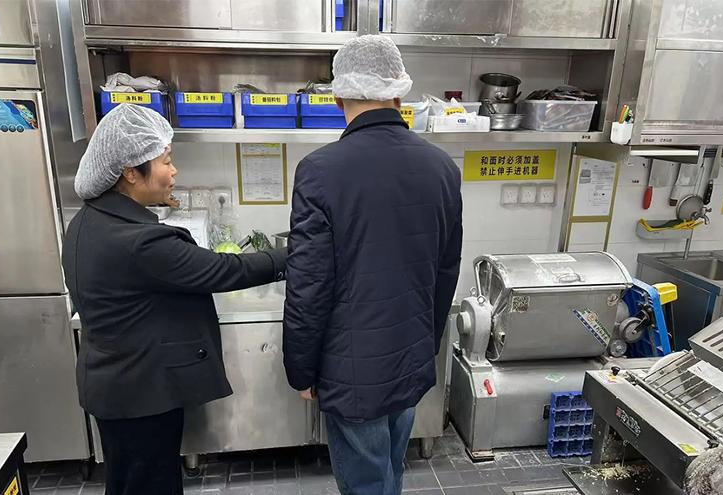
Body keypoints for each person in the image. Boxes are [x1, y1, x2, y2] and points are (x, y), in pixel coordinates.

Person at [62, 104, 287, 495]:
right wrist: (293, 256)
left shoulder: (87, 220)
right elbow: (225, 270)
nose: (174, 171)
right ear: (130, 172)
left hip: (115, 386)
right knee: (150, 484)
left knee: (131, 482)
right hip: (141, 395)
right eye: (166, 161)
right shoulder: (139, 242)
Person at [282, 35, 463, 495]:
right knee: (390, 471)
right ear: (399, 95)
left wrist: (301, 369)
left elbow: (308, 285)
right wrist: (426, 343)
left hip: (351, 371)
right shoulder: (442, 167)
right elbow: (446, 271)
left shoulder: (319, 171)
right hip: (411, 357)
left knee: (366, 482)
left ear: (338, 98)